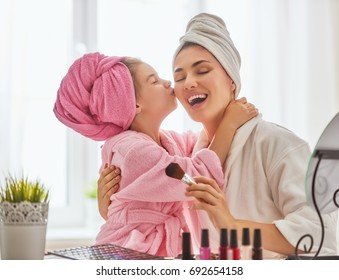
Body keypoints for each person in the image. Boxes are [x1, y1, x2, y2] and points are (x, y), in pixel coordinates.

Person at [98, 13, 338, 258]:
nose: (188, 82)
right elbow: (155, 197)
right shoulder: (187, 154)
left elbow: (321, 236)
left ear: (231, 80)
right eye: (179, 77)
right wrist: (115, 203)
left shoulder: (277, 144)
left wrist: (234, 228)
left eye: (202, 70)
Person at [53, 52, 257, 257]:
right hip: (124, 253)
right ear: (134, 105)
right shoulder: (133, 152)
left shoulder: (167, 141)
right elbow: (196, 176)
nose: (168, 83)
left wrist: (219, 111)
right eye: (155, 81)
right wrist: (229, 124)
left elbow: (201, 144)